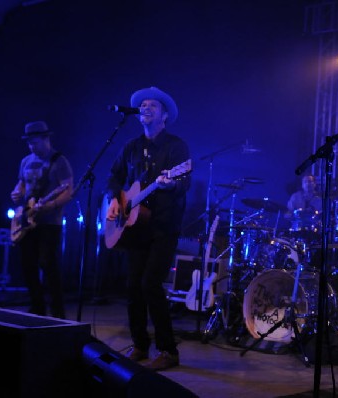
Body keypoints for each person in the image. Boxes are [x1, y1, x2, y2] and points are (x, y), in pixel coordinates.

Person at [105, 86, 190, 371]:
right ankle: (140, 345)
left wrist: (172, 182)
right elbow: (114, 178)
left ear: (164, 115)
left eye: (152, 105)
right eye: (142, 104)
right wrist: (116, 200)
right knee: (132, 287)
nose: (145, 107)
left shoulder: (176, 147)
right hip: (134, 229)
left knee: (149, 284)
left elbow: (184, 183)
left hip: (163, 226)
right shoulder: (130, 146)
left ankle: (168, 350)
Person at [10, 121, 73, 319]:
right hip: (27, 220)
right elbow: (21, 183)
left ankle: (57, 312)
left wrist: (51, 206)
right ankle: (37, 307)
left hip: (50, 222)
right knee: (27, 265)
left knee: (48, 264)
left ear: (46, 139)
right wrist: (16, 192)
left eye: (35, 143)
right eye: (29, 144)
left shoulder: (59, 161)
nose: (32, 147)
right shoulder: (26, 161)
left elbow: (68, 190)